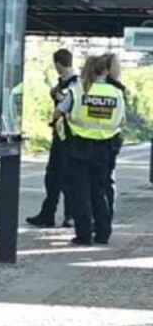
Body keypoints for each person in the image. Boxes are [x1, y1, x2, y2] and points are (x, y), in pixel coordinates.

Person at [54, 54, 126, 246]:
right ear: (105, 70)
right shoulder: (116, 93)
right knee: (99, 192)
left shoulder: (77, 90)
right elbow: (122, 121)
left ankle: (84, 236)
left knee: (80, 193)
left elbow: (58, 112)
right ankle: (103, 234)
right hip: (104, 148)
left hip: (79, 147)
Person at [27, 48, 78, 228]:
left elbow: (67, 107)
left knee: (65, 177)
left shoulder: (74, 85)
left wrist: (59, 97)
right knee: (53, 176)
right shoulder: (64, 83)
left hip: (68, 137)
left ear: (57, 64)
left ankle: (69, 215)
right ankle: (48, 214)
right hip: (60, 136)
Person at [106, 57, 127, 216]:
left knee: (97, 182)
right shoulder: (119, 90)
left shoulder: (90, 88)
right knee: (108, 179)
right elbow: (123, 121)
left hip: (93, 141)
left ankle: (98, 216)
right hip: (113, 139)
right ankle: (107, 214)